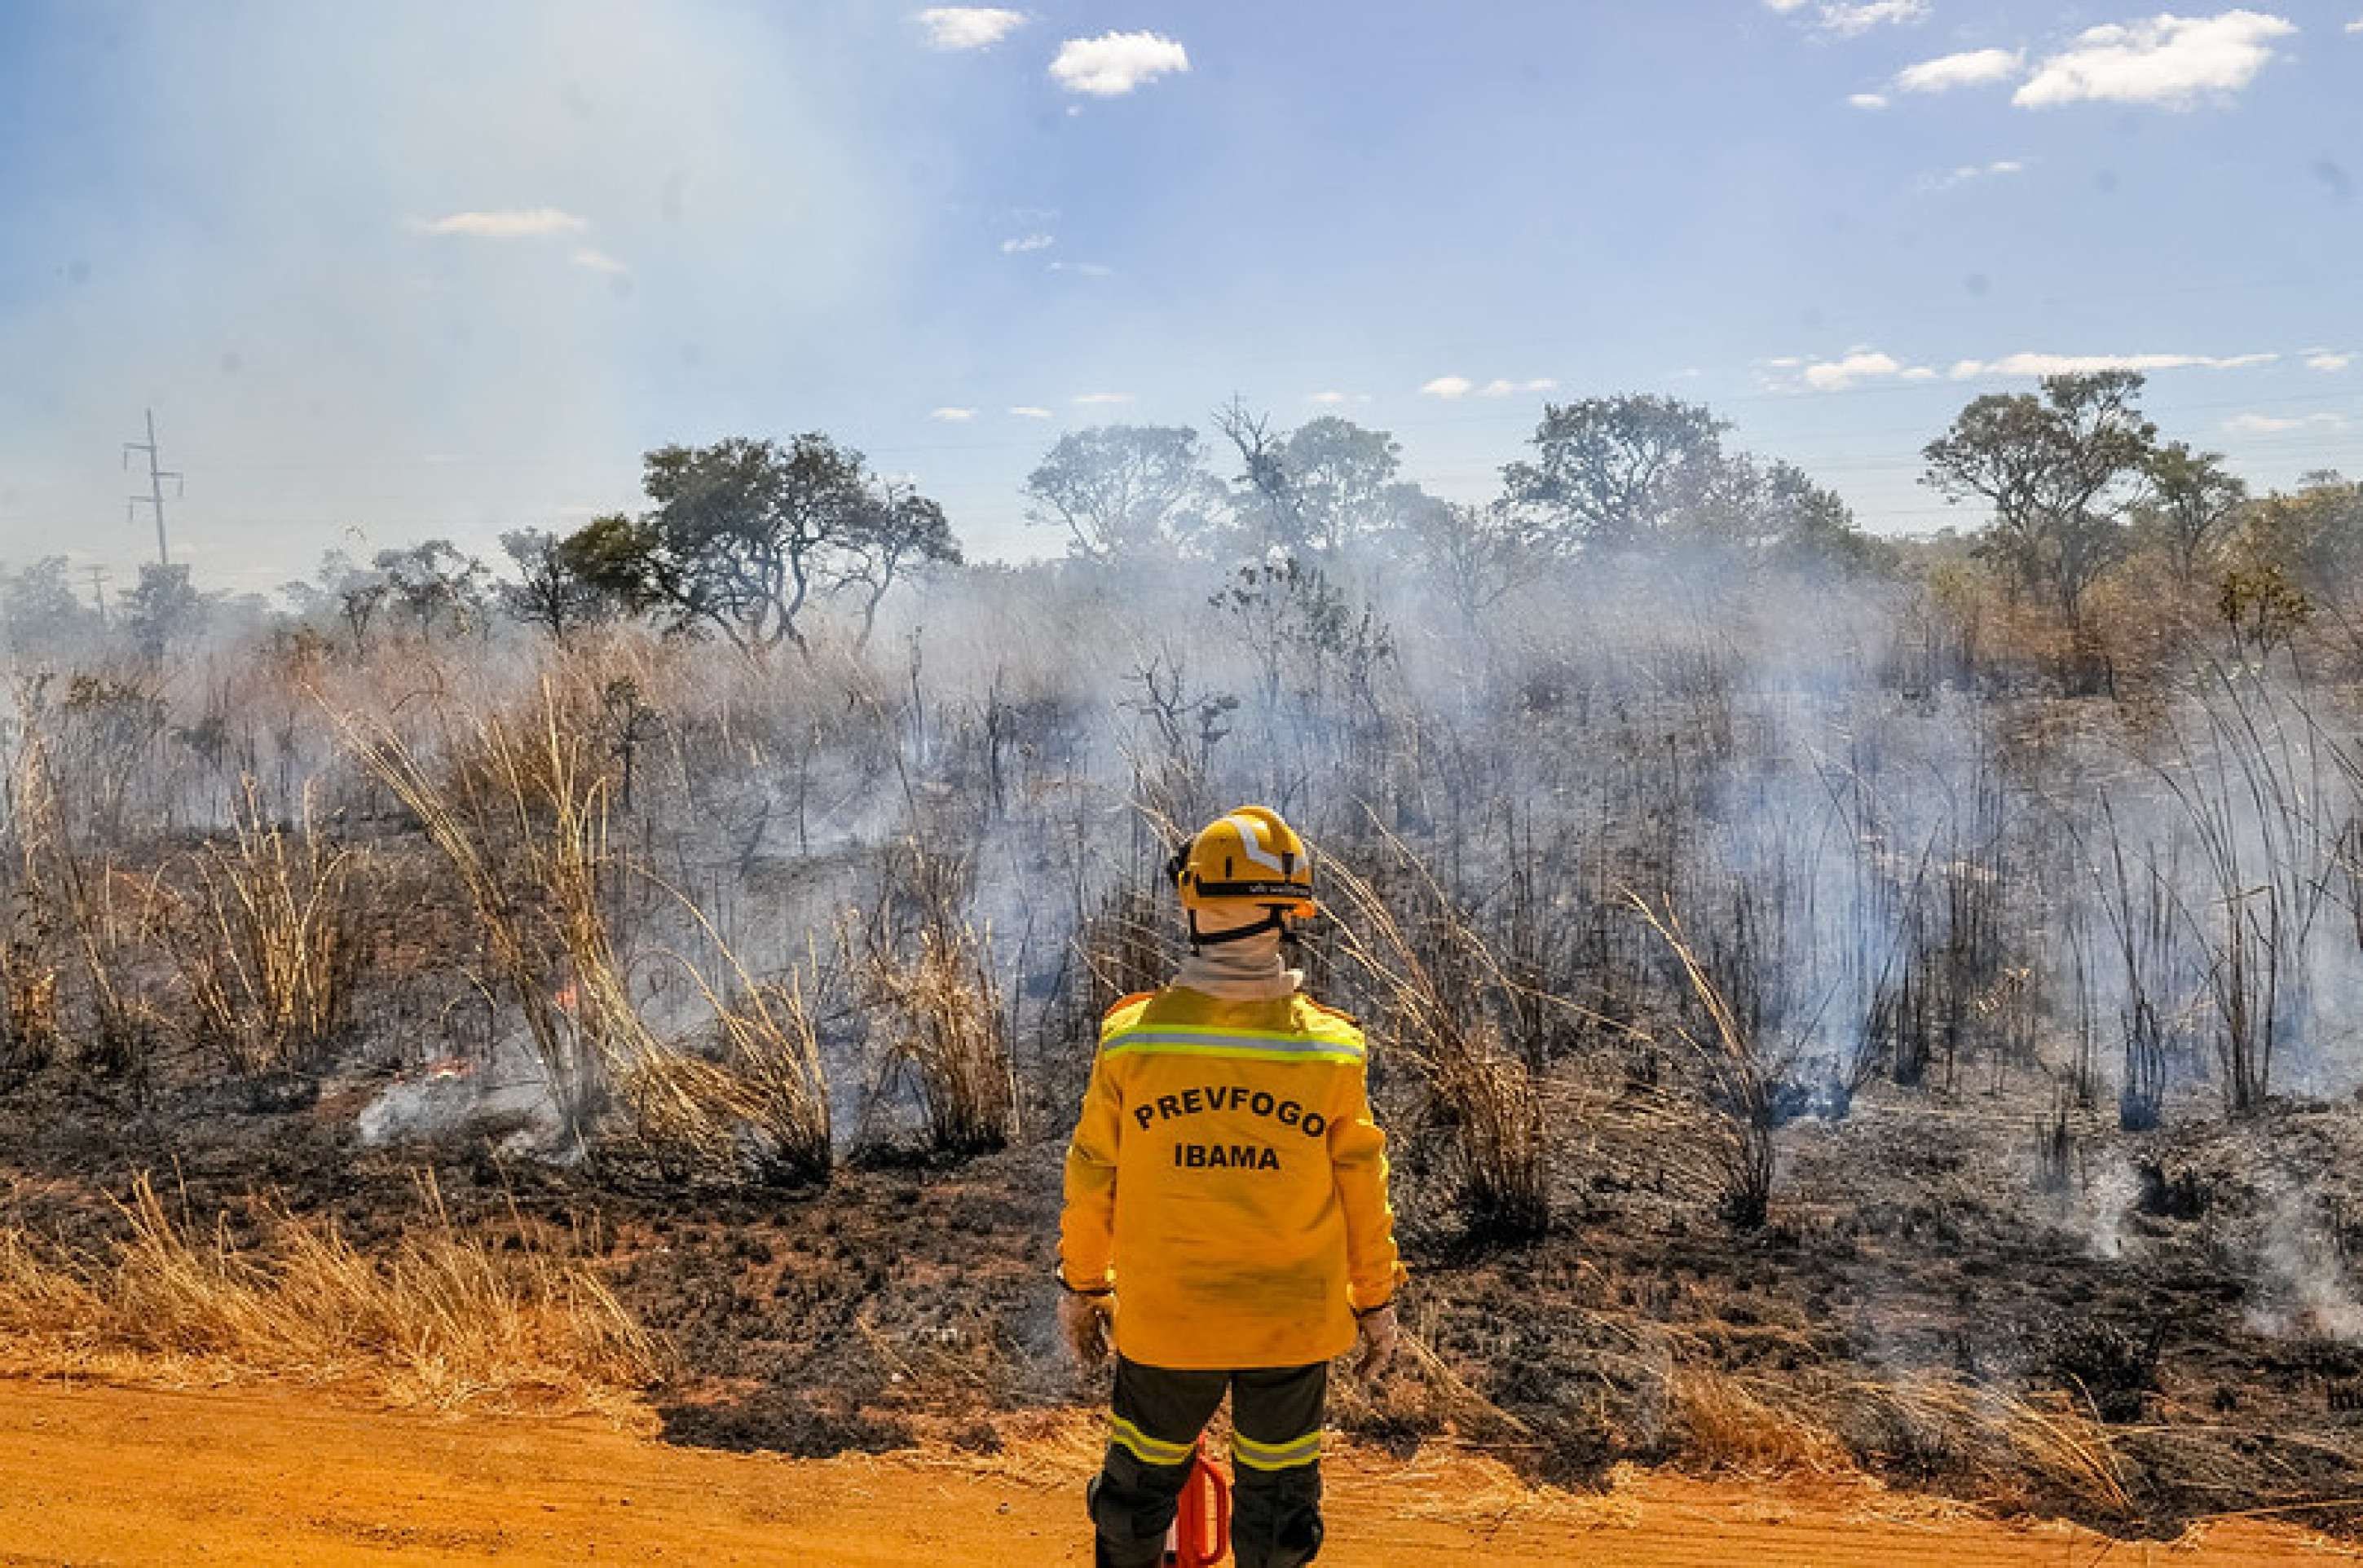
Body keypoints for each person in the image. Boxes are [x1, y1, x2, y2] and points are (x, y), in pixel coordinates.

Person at [1057, 805, 1404, 1568]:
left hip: (1167, 1324)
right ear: (1291, 912)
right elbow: (1363, 1196)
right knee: (1278, 1509)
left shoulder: (1134, 1040)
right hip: (1290, 1327)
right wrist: (1375, 1303)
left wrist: (1083, 1286)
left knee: (1137, 1496)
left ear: (1192, 903)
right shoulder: (1330, 1052)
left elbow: (1091, 1183)